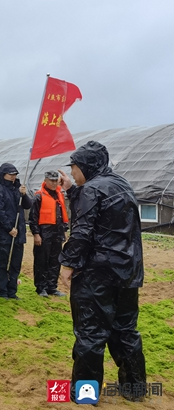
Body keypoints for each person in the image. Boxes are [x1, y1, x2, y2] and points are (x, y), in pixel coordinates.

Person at [58, 141, 146, 402]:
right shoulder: (121, 184)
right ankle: (135, 387)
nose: (72, 173)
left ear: (86, 166)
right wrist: (73, 191)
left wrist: (67, 264)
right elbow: (103, 215)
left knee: (90, 333)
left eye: (74, 168)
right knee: (125, 330)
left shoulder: (91, 190)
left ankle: (85, 394)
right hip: (127, 273)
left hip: (98, 275)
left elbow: (83, 231)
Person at [0, 163, 32, 300]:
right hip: (4, 235)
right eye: (10, 174)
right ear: (3, 175)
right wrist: (9, 228)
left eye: (15, 174)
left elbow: (27, 205)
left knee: (15, 263)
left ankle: (12, 291)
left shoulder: (17, 190)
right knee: (3, 263)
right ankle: (2, 290)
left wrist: (24, 195)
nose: (13, 177)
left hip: (18, 234)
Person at [28, 171, 68, 297]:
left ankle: (52, 286)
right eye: (51, 180)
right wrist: (36, 234)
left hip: (57, 233)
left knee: (55, 261)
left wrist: (63, 231)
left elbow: (62, 215)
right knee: (41, 261)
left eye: (56, 181)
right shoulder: (39, 196)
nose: (54, 183)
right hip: (44, 233)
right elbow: (33, 217)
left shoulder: (59, 195)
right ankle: (41, 287)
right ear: (45, 180)